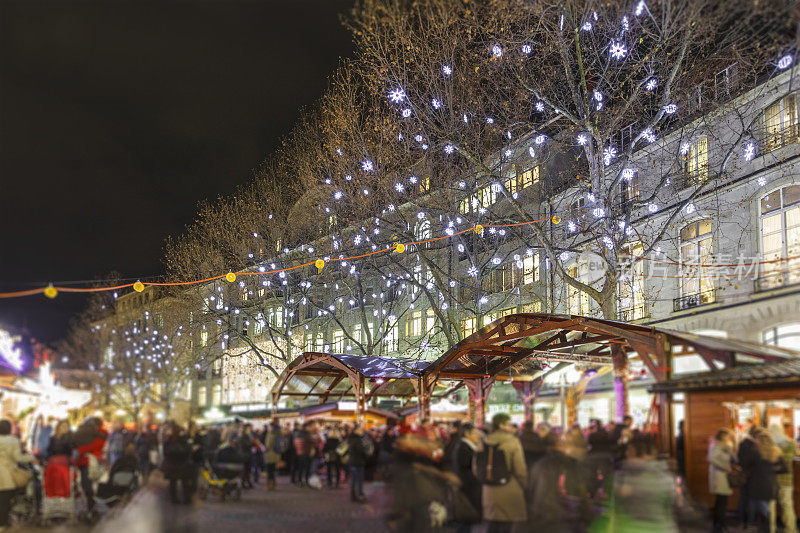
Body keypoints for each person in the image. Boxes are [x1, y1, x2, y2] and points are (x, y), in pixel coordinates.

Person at [611, 432, 677, 532]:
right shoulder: (664, 476)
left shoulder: (623, 476)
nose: (626, 453)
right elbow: (674, 503)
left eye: (629, 450)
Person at [482, 413, 527, 533]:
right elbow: (520, 470)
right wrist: (525, 486)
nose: (510, 427)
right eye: (508, 424)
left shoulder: (484, 441)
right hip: (509, 487)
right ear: (501, 425)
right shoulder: (513, 442)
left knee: (492, 524)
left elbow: (476, 467)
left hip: (489, 489)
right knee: (507, 525)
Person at [0, 418, 35, 531]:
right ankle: (2, 523)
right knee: (5, 499)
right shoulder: (13, 441)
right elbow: (18, 458)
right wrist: (31, 458)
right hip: (6, 474)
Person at [749, 431, 787, 533]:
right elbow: (784, 469)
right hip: (771, 485)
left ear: (759, 441)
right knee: (768, 512)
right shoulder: (776, 452)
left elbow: (749, 468)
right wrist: (772, 470)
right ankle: (769, 530)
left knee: (761, 514)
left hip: (757, 486)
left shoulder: (755, 452)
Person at [74, 417, 108, 516]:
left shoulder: (102, 433)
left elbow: (95, 446)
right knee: (85, 484)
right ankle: (90, 507)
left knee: (87, 484)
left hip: (90, 461)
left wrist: (80, 450)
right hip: (83, 461)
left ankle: (91, 507)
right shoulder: (90, 433)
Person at [452, 423, 482, 533]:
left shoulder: (465, 446)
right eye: (475, 433)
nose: (478, 436)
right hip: (468, 487)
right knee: (467, 518)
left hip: (468, 486)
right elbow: (467, 469)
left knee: (467, 519)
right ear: (467, 434)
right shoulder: (464, 448)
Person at [770, 424, 797, 533]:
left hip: (771, 479)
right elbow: (791, 457)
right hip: (786, 479)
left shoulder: (770, 444)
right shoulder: (790, 443)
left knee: (771, 506)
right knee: (787, 505)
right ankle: (790, 529)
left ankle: (770, 529)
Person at [708, 428, 736, 533]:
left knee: (721, 501)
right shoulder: (717, 446)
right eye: (728, 436)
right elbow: (712, 458)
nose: (729, 438)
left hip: (722, 477)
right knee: (721, 502)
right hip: (719, 477)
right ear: (723, 437)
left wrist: (729, 448)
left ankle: (719, 524)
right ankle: (719, 525)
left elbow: (733, 458)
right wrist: (725, 467)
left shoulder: (723, 446)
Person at [161, 422, 193, 504]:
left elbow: (165, 453)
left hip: (172, 464)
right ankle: (187, 499)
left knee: (173, 482)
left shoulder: (168, 440)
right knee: (185, 482)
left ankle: (174, 499)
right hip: (183, 463)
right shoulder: (184, 439)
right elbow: (188, 451)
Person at [347, 424, 372, 503]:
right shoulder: (358, 440)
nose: (361, 431)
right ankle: (359, 495)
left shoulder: (350, 439)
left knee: (354, 479)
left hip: (352, 461)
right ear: (356, 431)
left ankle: (353, 495)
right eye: (360, 429)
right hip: (358, 461)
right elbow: (361, 450)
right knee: (359, 480)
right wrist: (366, 454)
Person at [263, 419, 283, 491]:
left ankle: (269, 486)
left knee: (269, 471)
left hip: (270, 455)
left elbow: (268, 445)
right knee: (273, 470)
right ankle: (274, 485)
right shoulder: (280, 433)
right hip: (277, 455)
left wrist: (264, 449)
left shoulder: (271, 434)